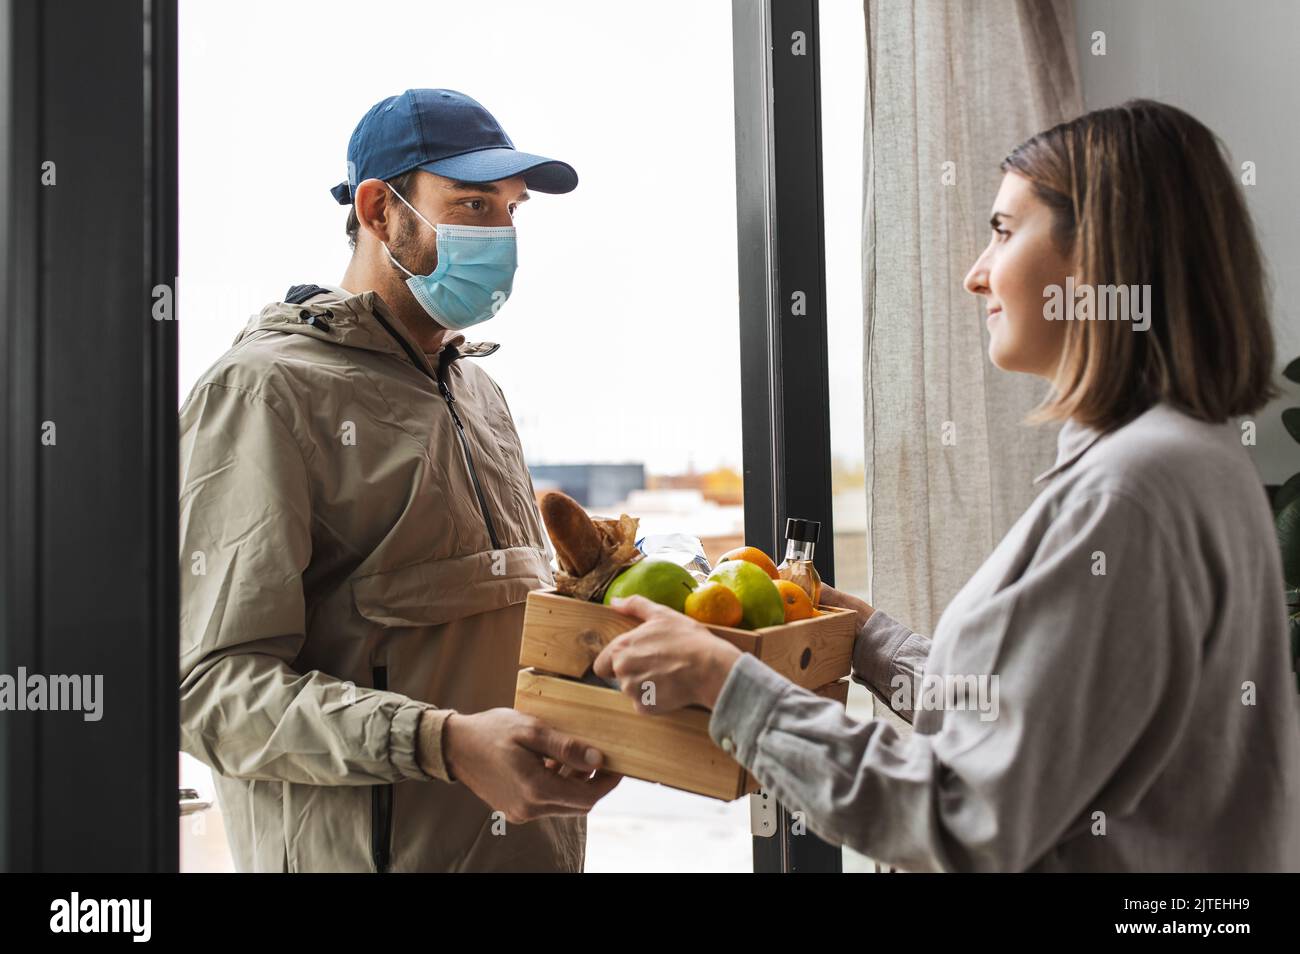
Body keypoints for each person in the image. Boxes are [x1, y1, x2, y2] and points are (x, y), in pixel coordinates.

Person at [594, 100, 1300, 871]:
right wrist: (863, 638)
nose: (975, 274)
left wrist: (725, 682)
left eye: (1001, 230)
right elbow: (1031, 723)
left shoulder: (1128, 491)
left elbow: (963, 815)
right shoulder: (1185, 457)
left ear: (1099, 250)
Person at [179, 89, 618, 872]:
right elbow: (208, 693)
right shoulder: (264, 393)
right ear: (381, 210)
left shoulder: (477, 392)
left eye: (513, 211)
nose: (503, 235)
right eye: (475, 205)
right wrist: (439, 744)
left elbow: (490, 624)